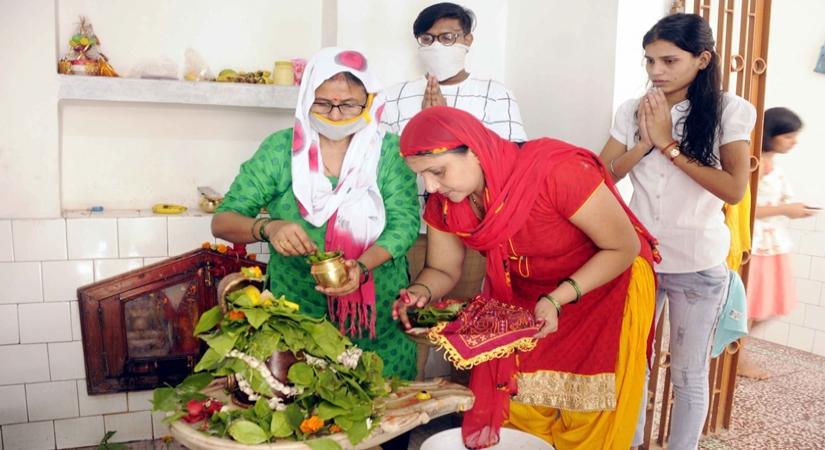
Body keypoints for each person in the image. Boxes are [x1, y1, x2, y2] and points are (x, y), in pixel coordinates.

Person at [393, 106, 658, 449]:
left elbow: (623, 246)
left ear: (474, 149)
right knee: (521, 409)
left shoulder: (555, 172)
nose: (431, 185)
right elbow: (443, 269)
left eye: (438, 171)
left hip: (604, 287)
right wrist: (419, 293)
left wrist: (558, 297)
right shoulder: (447, 202)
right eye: (422, 176)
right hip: (528, 298)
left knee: (589, 417)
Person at [212, 48, 421, 381]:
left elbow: (405, 225)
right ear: (306, 98)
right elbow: (223, 221)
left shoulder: (388, 153)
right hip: (298, 320)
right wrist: (267, 227)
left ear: (369, 102)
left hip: (378, 321)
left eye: (349, 104)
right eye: (323, 103)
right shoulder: (282, 151)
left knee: (385, 414)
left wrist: (362, 266)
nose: (336, 115)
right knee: (304, 416)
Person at [598, 13, 756, 450]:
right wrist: (644, 143)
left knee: (687, 374)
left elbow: (734, 189)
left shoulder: (730, 110)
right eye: (649, 61)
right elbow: (603, 175)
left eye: (669, 61)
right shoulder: (633, 110)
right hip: (640, 258)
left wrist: (668, 145)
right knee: (633, 364)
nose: (656, 72)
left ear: (702, 59)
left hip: (697, 263)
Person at [739, 107, 815, 379]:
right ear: (771, 134)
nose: (793, 142)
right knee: (750, 306)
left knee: (765, 306)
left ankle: (734, 353)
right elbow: (744, 208)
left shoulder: (770, 165)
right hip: (756, 244)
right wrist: (786, 210)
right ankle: (736, 358)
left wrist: (793, 208)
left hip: (771, 244)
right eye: (789, 136)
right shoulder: (754, 164)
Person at [381, 2, 526, 141]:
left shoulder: (496, 95)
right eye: (427, 39)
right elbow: (381, 157)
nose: (436, 46)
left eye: (447, 37)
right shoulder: (393, 97)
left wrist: (444, 120)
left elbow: (511, 156)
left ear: (467, 40)